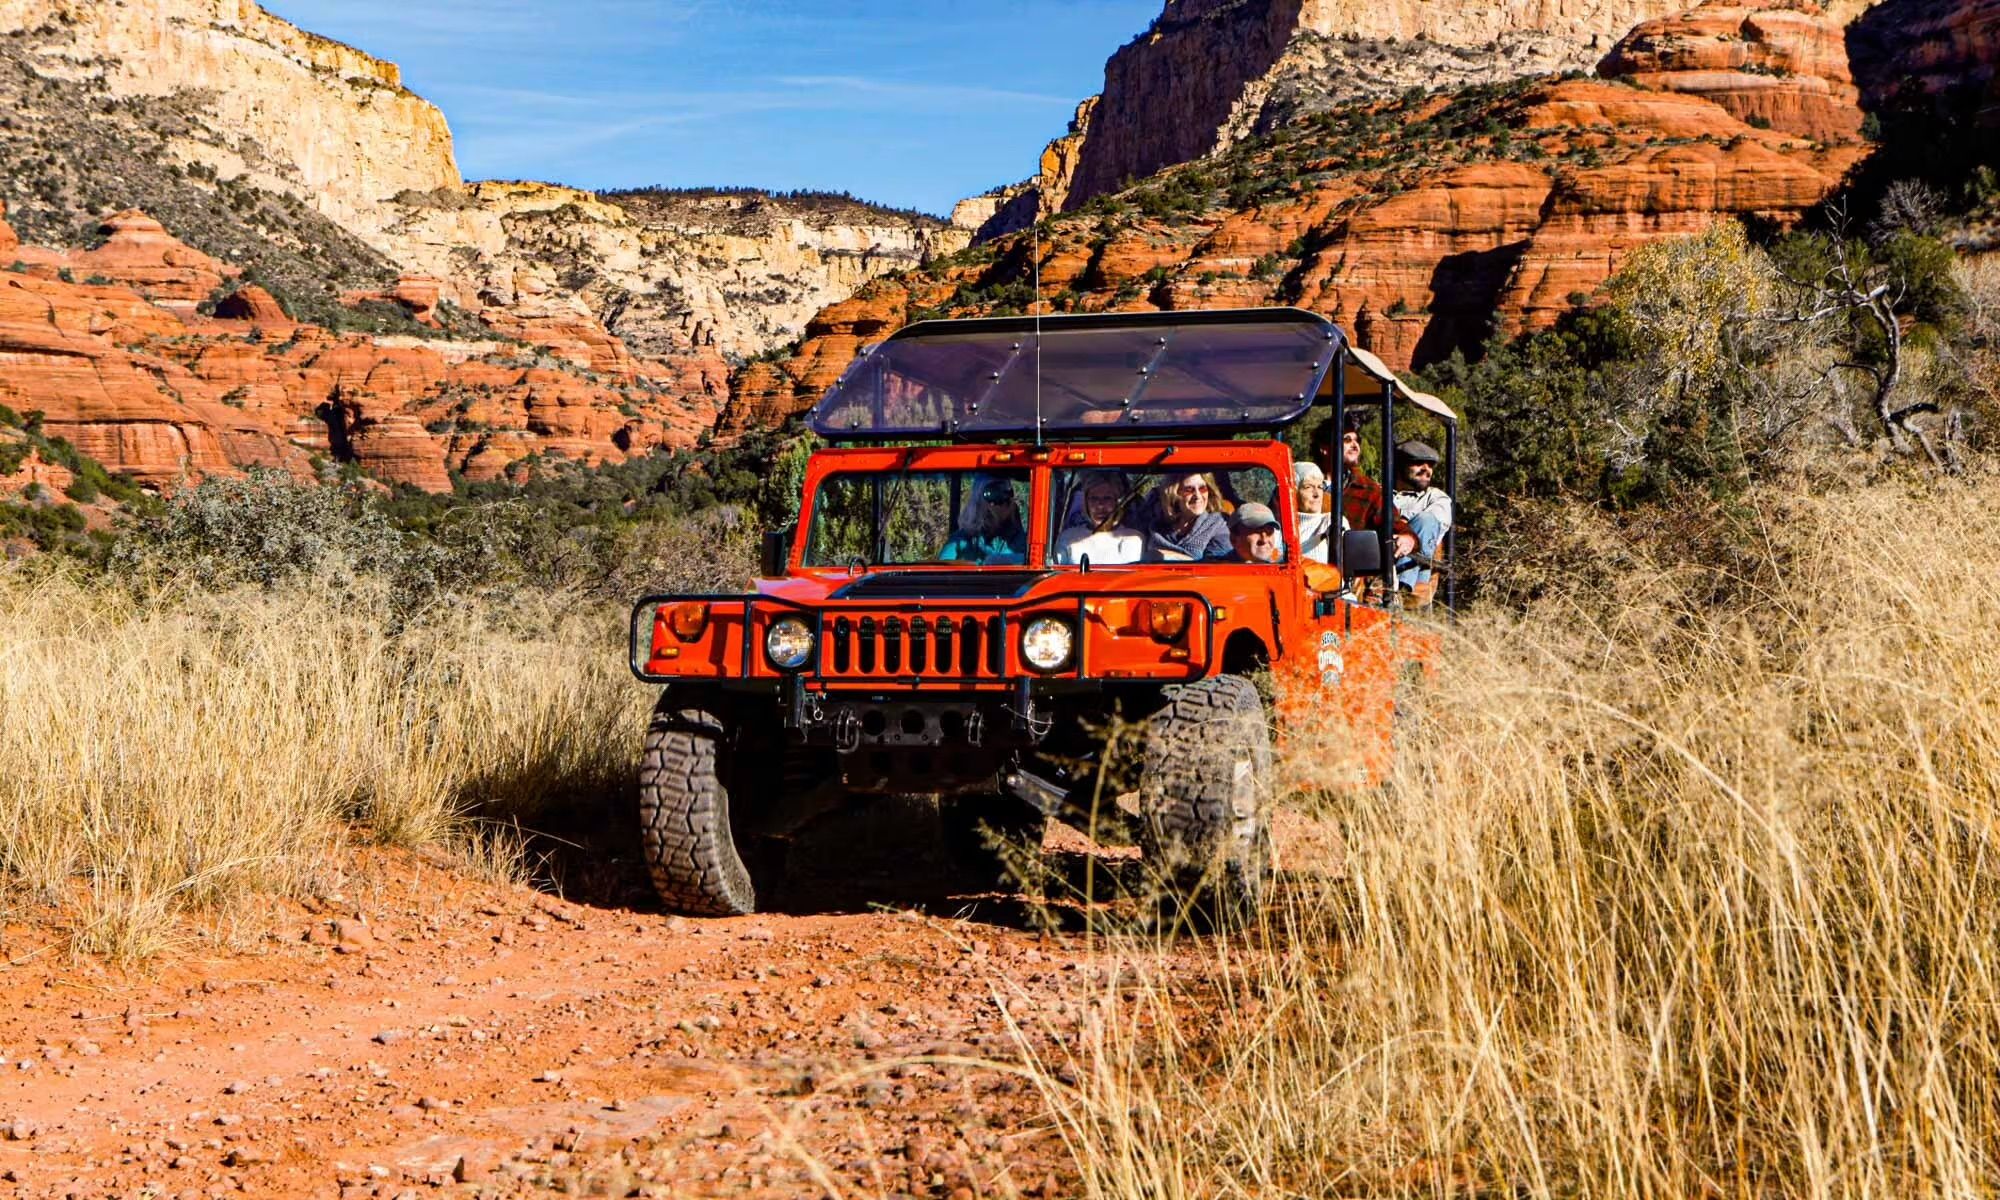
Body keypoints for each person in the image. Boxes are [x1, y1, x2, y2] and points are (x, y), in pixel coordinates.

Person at [1312, 417, 1415, 562]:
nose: (1355, 446)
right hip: (1301, 566)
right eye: (1347, 440)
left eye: (1357, 441)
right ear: (1324, 448)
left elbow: (1393, 523)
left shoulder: (1369, 490)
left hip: (1347, 573)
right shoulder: (1298, 483)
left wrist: (1407, 537)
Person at [1392, 439, 1452, 589]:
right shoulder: (1379, 493)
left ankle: (1401, 590)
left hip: (1415, 570)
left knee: (1426, 520)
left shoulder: (1436, 497)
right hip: (1379, 559)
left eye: (1430, 465)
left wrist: (1401, 523)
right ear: (1400, 465)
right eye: (1418, 463)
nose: (1427, 469)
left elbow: (1437, 519)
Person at [1054, 470, 1143, 565]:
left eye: (1107, 498)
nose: (1100, 505)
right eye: (1094, 498)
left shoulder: (1135, 538)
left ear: (1117, 502)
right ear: (1086, 503)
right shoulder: (1067, 538)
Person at [1144, 471, 1232, 562]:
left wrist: (1168, 556)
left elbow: (1220, 564)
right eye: (1189, 490)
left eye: (1202, 488)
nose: (1198, 496)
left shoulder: (1217, 523)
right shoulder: (1155, 519)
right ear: (1174, 493)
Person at [939, 477, 1027, 564]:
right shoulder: (960, 540)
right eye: (992, 494)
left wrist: (996, 560)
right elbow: (941, 569)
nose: (996, 505)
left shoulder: (1024, 541)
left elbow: (1030, 565)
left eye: (1005, 495)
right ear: (977, 502)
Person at [1293, 461, 1335, 563]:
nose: (1317, 494)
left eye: (1320, 487)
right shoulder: (1276, 528)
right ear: (1293, 492)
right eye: (1308, 487)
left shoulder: (1331, 522)